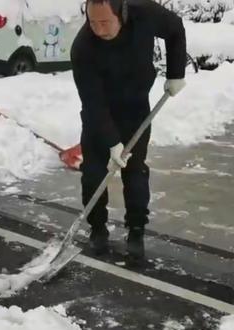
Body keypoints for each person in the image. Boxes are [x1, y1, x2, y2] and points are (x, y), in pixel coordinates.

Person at [70, 0, 187, 258]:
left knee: (135, 172)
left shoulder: (143, 13)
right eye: (92, 22)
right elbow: (93, 102)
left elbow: (175, 28)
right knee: (93, 174)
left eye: (105, 22)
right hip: (100, 114)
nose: (99, 29)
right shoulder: (83, 48)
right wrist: (112, 142)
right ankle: (97, 228)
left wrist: (176, 73)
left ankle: (136, 230)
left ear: (121, 14)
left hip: (136, 111)